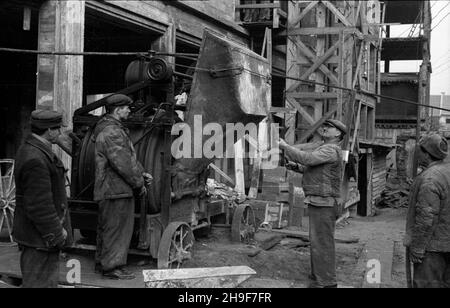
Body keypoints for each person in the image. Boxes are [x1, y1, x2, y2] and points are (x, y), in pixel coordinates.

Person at [278, 119, 347, 288]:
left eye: (329, 127)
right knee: (317, 242)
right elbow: (311, 168)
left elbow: (308, 159)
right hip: (319, 201)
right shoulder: (325, 149)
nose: (324, 128)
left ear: (337, 134)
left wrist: (286, 147)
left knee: (322, 243)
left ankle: (328, 282)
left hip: (324, 203)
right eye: (325, 126)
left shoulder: (331, 150)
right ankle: (319, 277)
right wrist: (294, 166)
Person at [93, 94, 152, 280]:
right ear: (117, 110)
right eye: (127, 108)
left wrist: (141, 172)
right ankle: (112, 267)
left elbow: (126, 158)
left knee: (108, 228)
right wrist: (139, 183)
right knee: (117, 229)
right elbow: (123, 163)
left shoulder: (110, 129)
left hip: (112, 189)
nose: (129, 110)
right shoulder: (112, 132)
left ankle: (103, 263)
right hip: (115, 190)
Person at [12, 110, 73, 288]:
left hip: (37, 238)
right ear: (49, 131)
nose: (61, 133)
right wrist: (55, 233)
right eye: (58, 129)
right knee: (40, 284)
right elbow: (39, 205)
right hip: (39, 240)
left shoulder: (33, 150)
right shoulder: (36, 159)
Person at [404, 133, 450, 288]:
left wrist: (417, 247)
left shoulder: (430, 178)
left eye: (420, 150)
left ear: (426, 153)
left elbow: (426, 217)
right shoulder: (446, 171)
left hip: (432, 248)